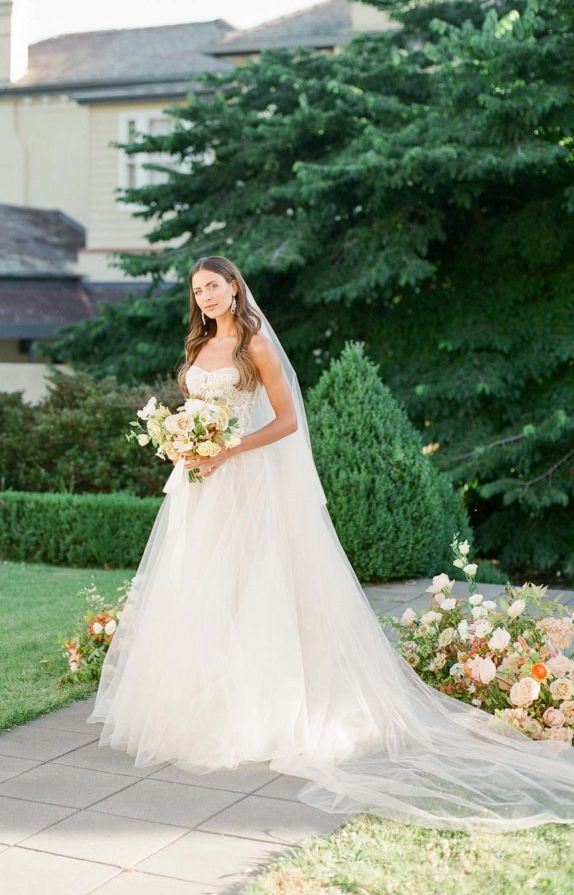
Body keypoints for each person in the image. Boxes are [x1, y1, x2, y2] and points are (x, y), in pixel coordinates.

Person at [87, 254, 574, 831]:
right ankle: (207, 705)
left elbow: (288, 421)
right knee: (202, 587)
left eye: (214, 286)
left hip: (247, 481)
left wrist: (227, 448)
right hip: (202, 485)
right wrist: (184, 442)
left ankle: (265, 713)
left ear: (235, 286)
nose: (206, 297)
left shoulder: (256, 345)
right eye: (198, 290)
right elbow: (197, 411)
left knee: (256, 587)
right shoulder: (196, 349)